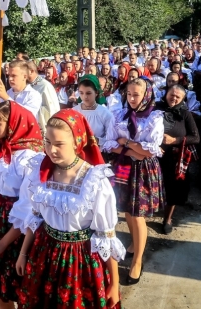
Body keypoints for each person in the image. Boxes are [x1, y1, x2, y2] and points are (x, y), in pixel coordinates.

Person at [12, 110, 123, 308]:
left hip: (81, 260)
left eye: (59, 144)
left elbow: (106, 236)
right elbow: (35, 218)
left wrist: (114, 284)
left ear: (76, 142)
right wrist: (23, 254)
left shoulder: (94, 180)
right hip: (44, 253)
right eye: (47, 142)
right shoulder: (40, 173)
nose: (51, 150)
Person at [0, 101, 43, 308]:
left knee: (21, 286)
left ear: (14, 125)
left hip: (19, 231)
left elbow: (27, 207)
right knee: (0, 285)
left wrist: (4, 243)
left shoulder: (31, 158)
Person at [102, 78, 165, 285]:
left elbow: (149, 151)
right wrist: (132, 148)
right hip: (124, 167)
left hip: (142, 171)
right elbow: (110, 144)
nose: (131, 98)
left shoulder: (154, 117)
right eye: (129, 94)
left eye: (136, 94)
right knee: (127, 210)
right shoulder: (119, 114)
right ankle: (133, 244)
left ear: (146, 95)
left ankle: (137, 261)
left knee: (138, 214)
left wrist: (126, 142)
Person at [157, 85, 200, 234]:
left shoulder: (185, 114)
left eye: (178, 97)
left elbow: (195, 137)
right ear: (166, 94)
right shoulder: (156, 108)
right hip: (154, 155)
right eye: (172, 95)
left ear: (182, 99)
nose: (174, 98)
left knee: (172, 189)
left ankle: (167, 219)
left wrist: (174, 140)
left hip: (173, 157)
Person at [73, 75, 114, 147]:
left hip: (97, 153)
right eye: (81, 93)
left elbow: (111, 138)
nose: (85, 97)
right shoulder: (74, 112)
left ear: (96, 92)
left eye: (88, 93)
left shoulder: (104, 113)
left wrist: (97, 140)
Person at [26, 60, 61, 133]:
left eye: (24, 72)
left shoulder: (45, 86)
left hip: (44, 128)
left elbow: (51, 109)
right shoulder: (27, 85)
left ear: (31, 71)